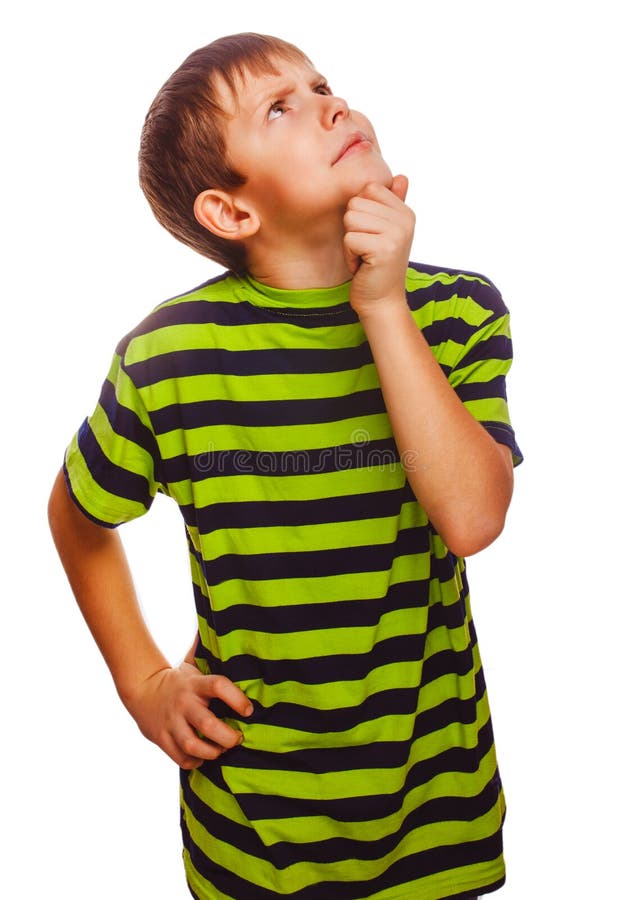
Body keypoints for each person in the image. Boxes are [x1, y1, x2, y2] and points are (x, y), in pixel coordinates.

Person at [48, 32, 522, 900]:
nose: (327, 103)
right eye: (281, 107)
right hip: (252, 827)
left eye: (321, 84)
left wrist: (381, 302)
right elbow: (78, 519)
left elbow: (472, 517)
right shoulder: (172, 357)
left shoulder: (455, 312)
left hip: (434, 812)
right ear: (231, 213)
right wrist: (143, 683)